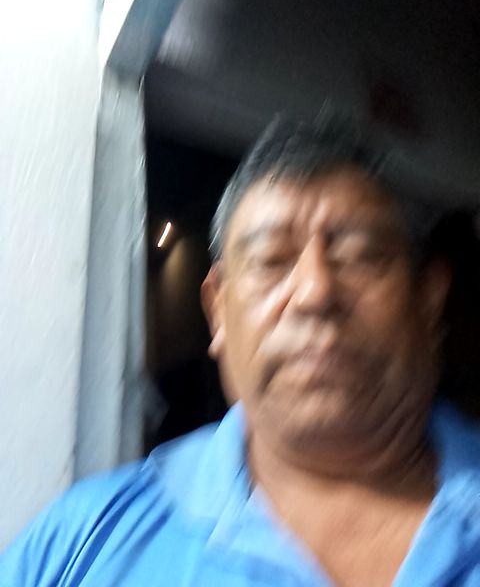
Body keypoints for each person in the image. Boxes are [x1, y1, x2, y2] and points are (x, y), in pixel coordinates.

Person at [2, 113, 480, 587]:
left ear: (428, 300)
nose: (315, 292)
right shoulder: (75, 544)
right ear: (217, 312)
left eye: (359, 256)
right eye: (270, 261)